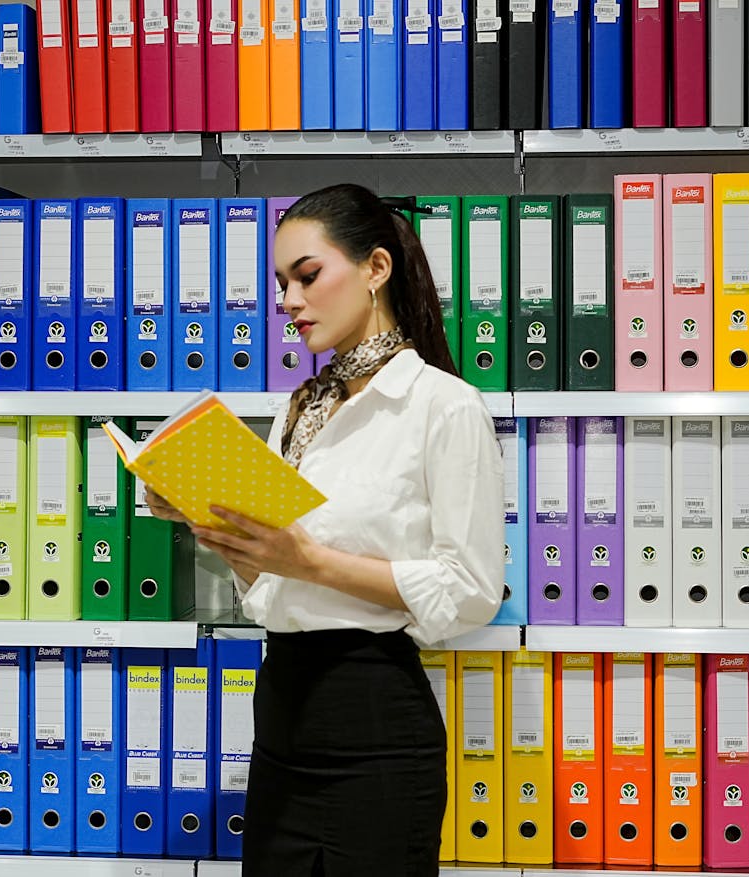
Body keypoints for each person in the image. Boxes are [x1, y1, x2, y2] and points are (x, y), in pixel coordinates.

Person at [144, 183, 504, 875]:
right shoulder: (299, 405)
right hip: (281, 713)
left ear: (375, 268)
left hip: (373, 722)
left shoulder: (445, 406)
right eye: (281, 284)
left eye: (306, 276)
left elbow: (471, 591)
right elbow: (276, 588)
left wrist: (307, 559)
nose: (287, 301)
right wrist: (212, 526)